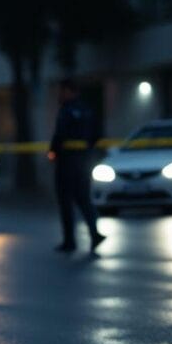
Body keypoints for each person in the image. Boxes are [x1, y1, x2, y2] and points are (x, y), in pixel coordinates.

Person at [49, 79, 106, 254]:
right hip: (83, 160)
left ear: (69, 91)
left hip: (67, 161)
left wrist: (53, 151)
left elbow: (60, 135)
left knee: (65, 201)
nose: (59, 95)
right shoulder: (88, 110)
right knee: (84, 199)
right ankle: (94, 233)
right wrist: (87, 148)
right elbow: (97, 133)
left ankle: (69, 241)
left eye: (61, 91)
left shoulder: (66, 111)